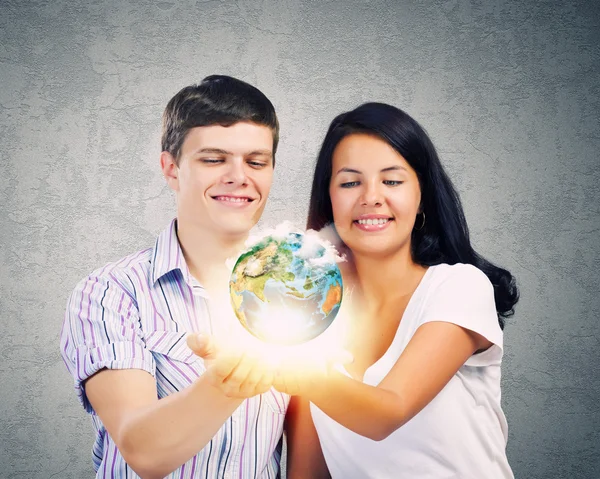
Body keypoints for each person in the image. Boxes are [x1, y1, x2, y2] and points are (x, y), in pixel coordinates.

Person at [60, 75, 289, 479]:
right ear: (171, 168)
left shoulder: (296, 290)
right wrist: (223, 385)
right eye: (214, 159)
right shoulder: (109, 293)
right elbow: (143, 451)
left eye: (256, 161)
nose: (240, 176)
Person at [283, 102, 519, 478]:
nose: (371, 197)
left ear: (421, 195)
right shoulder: (311, 319)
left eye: (392, 181)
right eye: (349, 182)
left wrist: (284, 370)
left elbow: (388, 411)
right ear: (329, 199)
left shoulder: (458, 287)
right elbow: (307, 473)